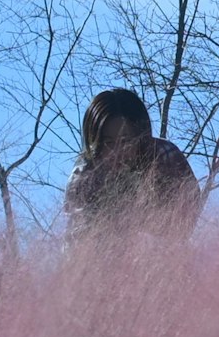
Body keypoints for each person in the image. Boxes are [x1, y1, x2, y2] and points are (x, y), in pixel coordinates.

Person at [63, 87, 201, 238]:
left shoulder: (164, 156)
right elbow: (76, 241)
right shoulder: (84, 179)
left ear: (141, 137)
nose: (117, 152)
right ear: (95, 144)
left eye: (125, 141)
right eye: (108, 143)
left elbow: (188, 209)